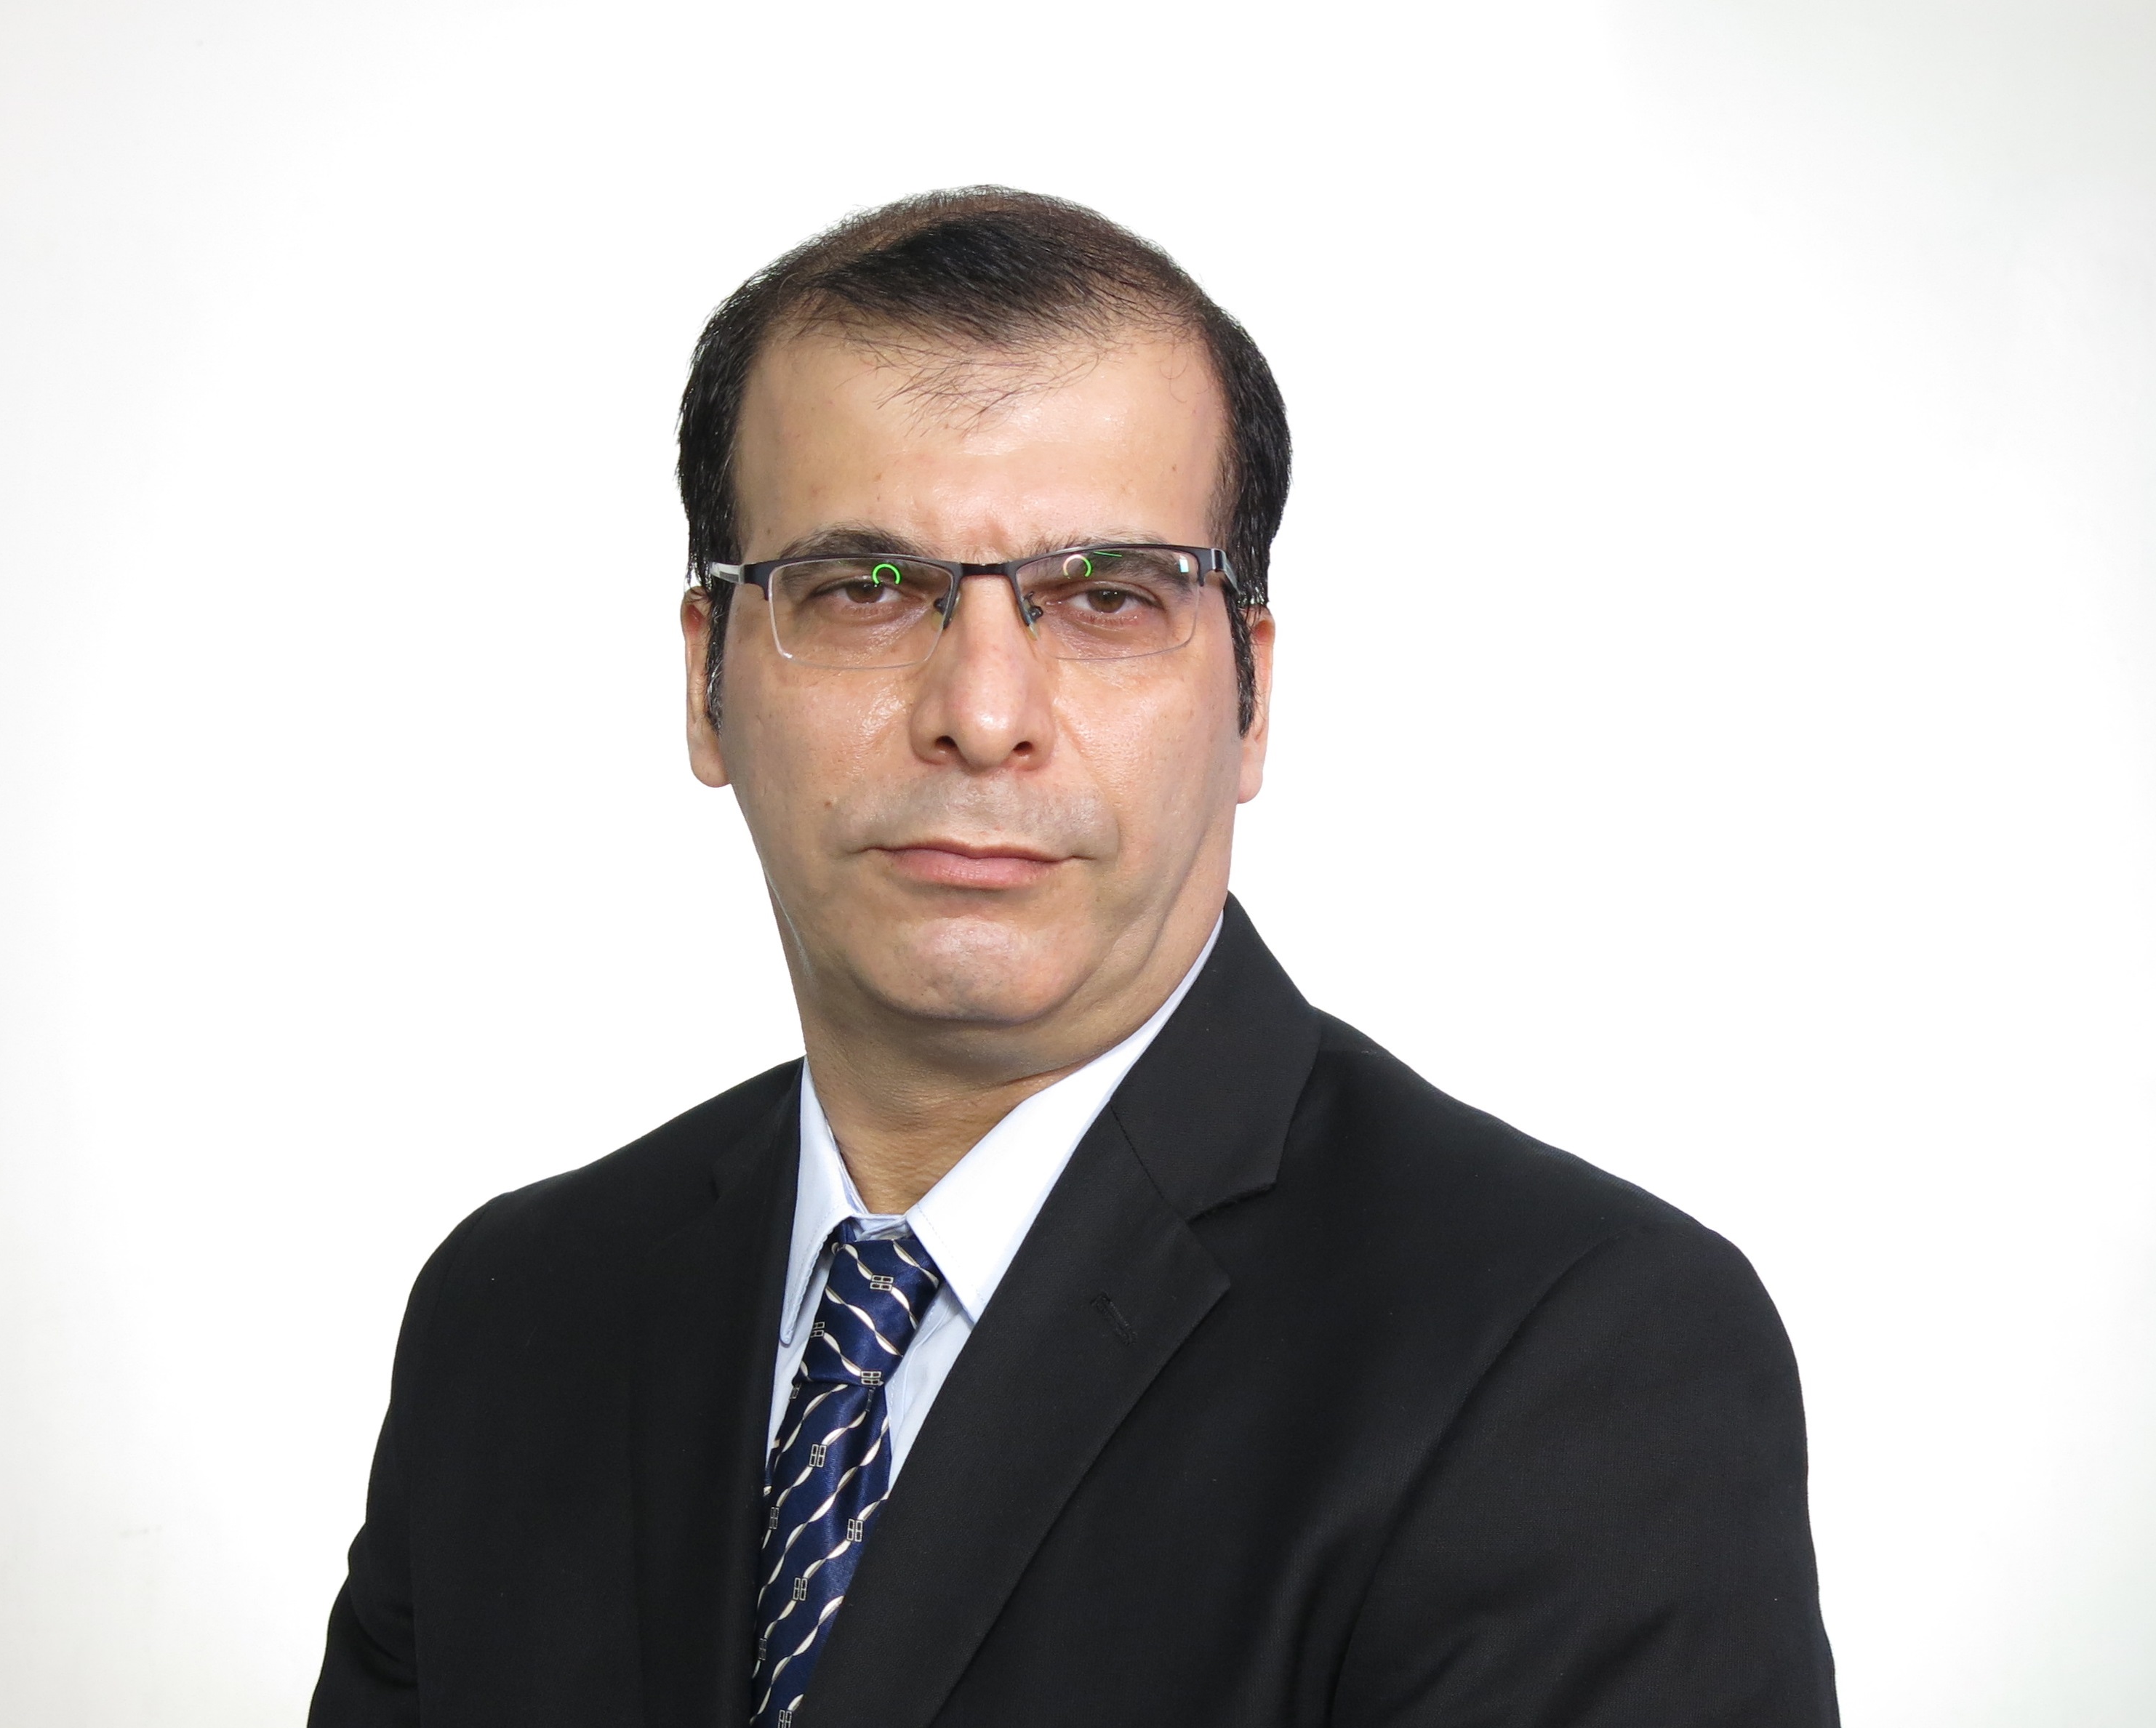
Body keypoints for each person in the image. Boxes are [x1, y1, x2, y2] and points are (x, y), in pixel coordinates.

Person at [309, 187, 1839, 1728]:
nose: (982, 714)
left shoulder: (1573, 1355)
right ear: (706, 680)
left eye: (1105, 597)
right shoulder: (513, 1321)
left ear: (1248, 696)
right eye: (862, 589)